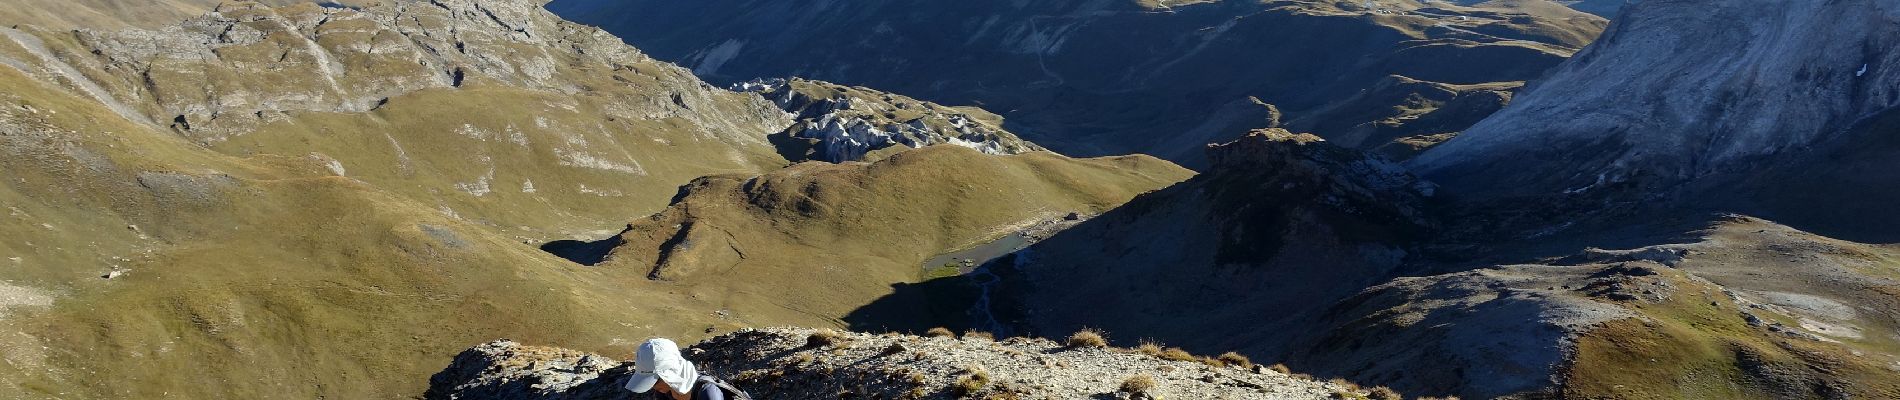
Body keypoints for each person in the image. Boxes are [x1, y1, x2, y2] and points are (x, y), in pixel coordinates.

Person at [624, 338, 749, 400]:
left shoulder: (709, 394)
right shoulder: (664, 393)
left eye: (654, 381)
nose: (653, 387)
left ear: (670, 374)